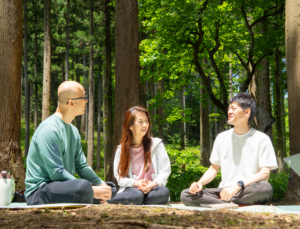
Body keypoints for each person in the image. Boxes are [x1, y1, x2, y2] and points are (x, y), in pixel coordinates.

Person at [25, 81, 116, 205]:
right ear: (71, 102)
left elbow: (81, 165)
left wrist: (100, 184)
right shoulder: (49, 129)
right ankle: (89, 194)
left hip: (64, 188)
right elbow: (56, 173)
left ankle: (92, 194)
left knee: (110, 188)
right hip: (40, 192)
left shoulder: (73, 130)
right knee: (83, 188)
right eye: (84, 97)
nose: (86, 101)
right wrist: (90, 189)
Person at [181, 93, 278, 207]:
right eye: (228, 109)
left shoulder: (261, 139)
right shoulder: (221, 138)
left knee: (265, 188)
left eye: (233, 108)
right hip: (224, 191)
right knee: (186, 194)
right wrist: (199, 183)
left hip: (246, 189)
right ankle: (229, 203)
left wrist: (238, 186)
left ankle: (222, 203)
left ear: (247, 112)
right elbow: (213, 169)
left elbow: (265, 174)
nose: (229, 112)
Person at [108, 106, 171, 205]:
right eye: (140, 122)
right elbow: (119, 177)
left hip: (153, 188)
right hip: (133, 189)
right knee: (137, 195)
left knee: (164, 192)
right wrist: (135, 183)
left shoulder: (157, 145)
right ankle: (135, 200)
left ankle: (139, 201)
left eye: (146, 121)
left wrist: (152, 184)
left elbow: (165, 171)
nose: (145, 125)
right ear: (130, 126)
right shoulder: (121, 150)